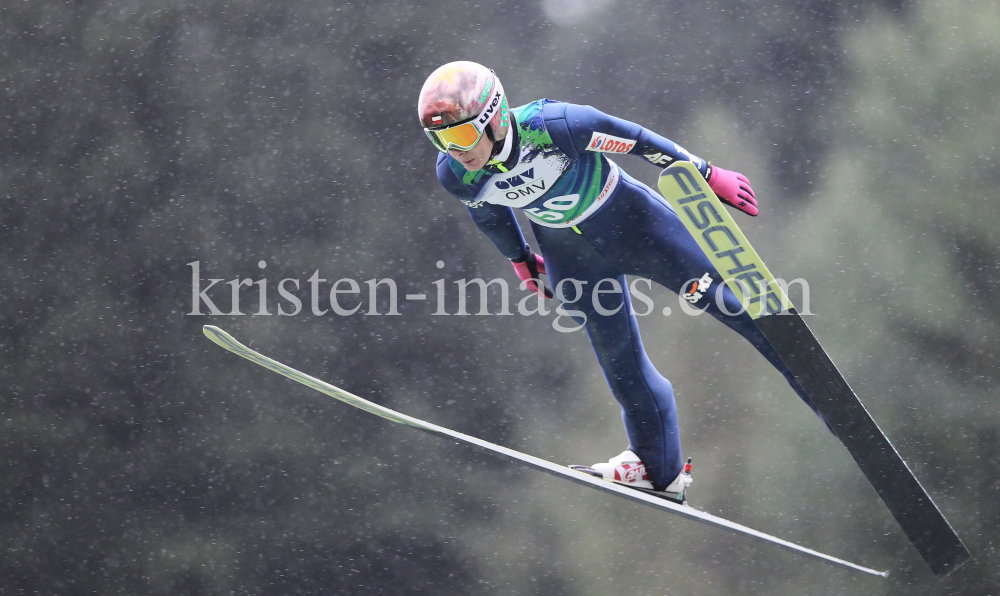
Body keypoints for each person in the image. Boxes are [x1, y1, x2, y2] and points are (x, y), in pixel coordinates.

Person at [418, 61, 819, 503]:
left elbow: (638, 141)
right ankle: (657, 469)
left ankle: (821, 392)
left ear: (494, 116)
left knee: (734, 309)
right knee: (620, 364)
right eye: (439, 139)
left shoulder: (556, 126)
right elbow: (491, 215)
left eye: (459, 135)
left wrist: (705, 174)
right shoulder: (456, 173)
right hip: (573, 259)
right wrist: (520, 260)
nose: (454, 150)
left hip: (638, 228)